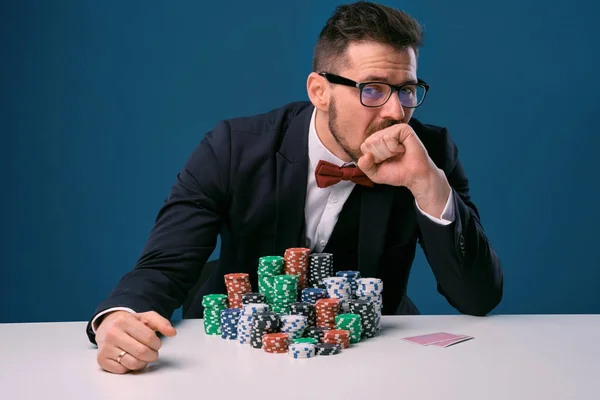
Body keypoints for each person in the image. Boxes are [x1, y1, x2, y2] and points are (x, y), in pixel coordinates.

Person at [88, 1, 503, 374]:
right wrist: (118, 319)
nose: (396, 112)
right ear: (319, 91)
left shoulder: (430, 154)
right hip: (232, 355)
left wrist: (427, 185)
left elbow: (478, 297)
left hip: (371, 356)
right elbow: (164, 264)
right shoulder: (233, 148)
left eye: (407, 91)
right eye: (372, 90)